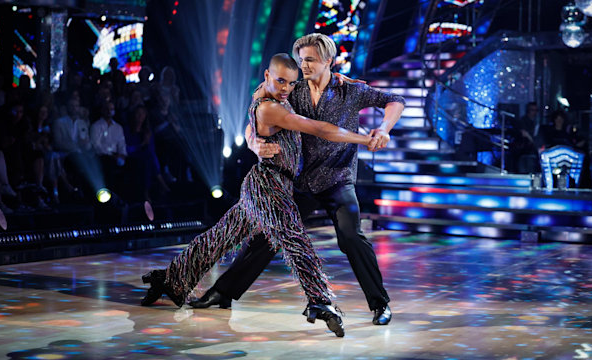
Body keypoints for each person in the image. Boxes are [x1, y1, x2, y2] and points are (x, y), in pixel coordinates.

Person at [140, 53, 378, 337]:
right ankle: (321, 301)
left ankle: (172, 280)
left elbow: (251, 124)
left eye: (290, 83)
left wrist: (340, 79)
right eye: (280, 81)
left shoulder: (268, 94)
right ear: (267, 76)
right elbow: (317, 128)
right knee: (294, 239)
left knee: (219, 237)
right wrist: (365, 138)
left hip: (268, 183)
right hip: (269, 185)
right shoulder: (270, 108)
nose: (286, 88)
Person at [190, 33, 405, 326]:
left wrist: (383, 128)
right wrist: (253, 143)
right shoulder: (290, 88)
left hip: (337, 179)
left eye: (310, 60)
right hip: (299, 181)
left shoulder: (350, 90)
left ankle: (380, 304)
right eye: (301, 59)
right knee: (268, 236)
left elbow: (394, 100)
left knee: (351, 236)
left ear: (329, 60)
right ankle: (222, 292)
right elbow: (254, 116)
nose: (303, 66)